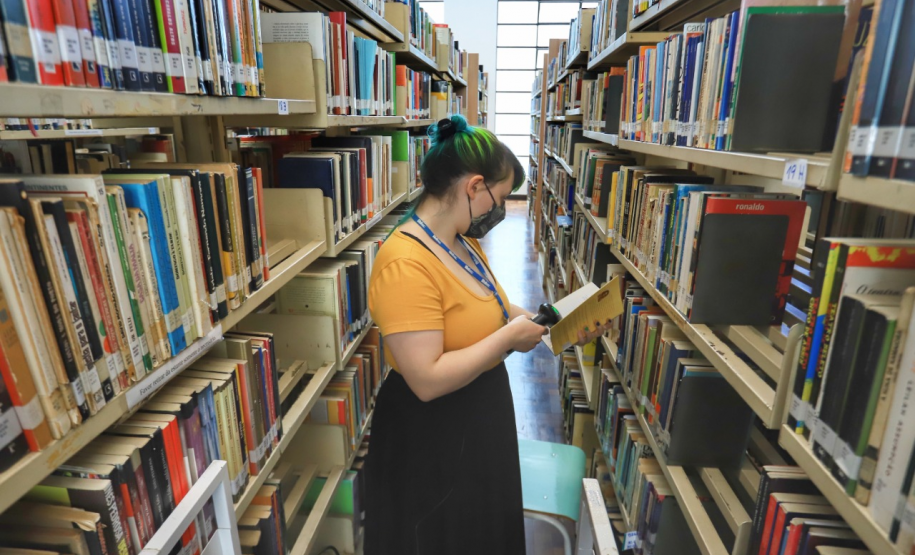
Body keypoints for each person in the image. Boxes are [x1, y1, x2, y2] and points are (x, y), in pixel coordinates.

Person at [364, 115, 611, 555]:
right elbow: (426, 379)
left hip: (476, 419)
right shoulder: (405, 261)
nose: (499, 211)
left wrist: (559, 321)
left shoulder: (461, 242)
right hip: (431, 439)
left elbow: (492, 309)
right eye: (500, 197)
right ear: (474, 187)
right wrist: (507, 341)